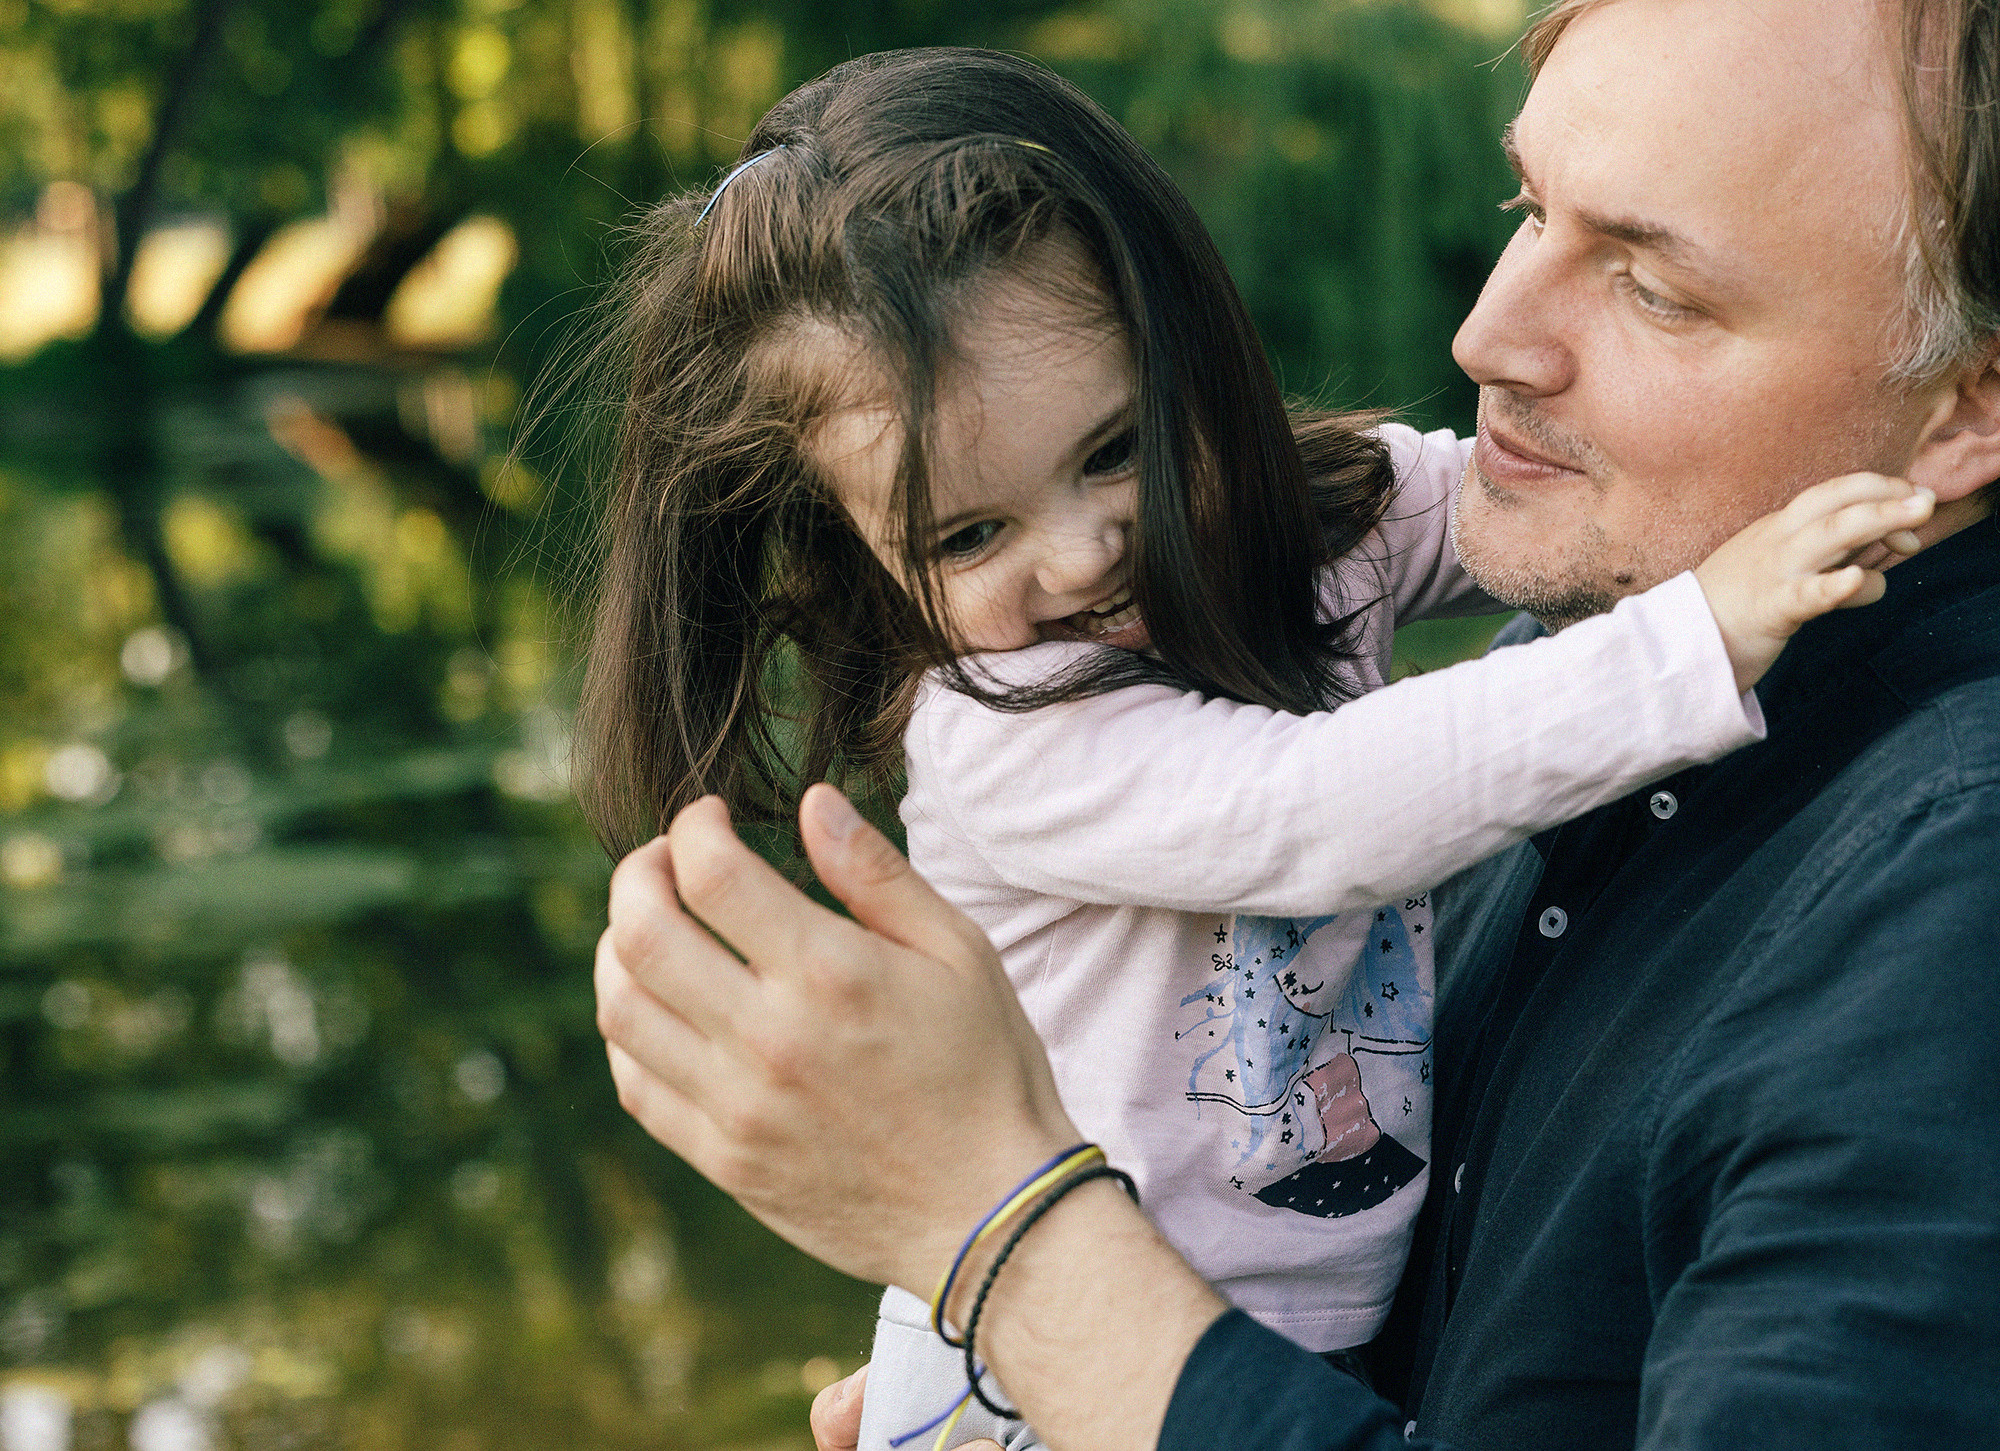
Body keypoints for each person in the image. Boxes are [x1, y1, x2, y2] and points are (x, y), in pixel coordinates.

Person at [595, 1, 2000, 1448]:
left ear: (1970, 405)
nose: (1483, 333)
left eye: (1652, 285)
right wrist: (1040, 1345)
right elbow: (1320, 807)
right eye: (1526, 208)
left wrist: (998, 1233)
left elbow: (1428, 557)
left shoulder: (1941, 881)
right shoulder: (1021, 720)